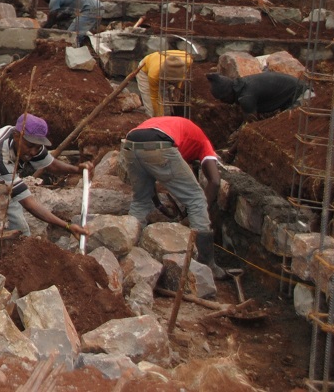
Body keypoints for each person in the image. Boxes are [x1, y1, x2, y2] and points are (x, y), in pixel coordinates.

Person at [0, 113, 90, 238]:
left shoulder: (30, 144)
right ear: (17, 136)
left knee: (20, 231)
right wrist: (67, 226)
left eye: (38, 147)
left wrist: (76, 170)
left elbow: (51, 165)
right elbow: (28, 203)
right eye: (30, 146)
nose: (34, 152)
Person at [121, 115, 224, 277]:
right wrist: (196, 212)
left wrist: (160, 205)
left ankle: (127, 249)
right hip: (160, 144)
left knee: (141, 200)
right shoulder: (204, 143)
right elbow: (215, 181)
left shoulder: (175, 127)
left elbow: (149, 184)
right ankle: (205, 263)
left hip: (129, 144)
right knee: (196, 198)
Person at [208, 71, 311, 117]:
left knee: (288, 124)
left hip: (304, 95)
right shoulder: (242, 85)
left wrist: (230, 152)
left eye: (223, 99)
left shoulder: (246, 97)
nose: (223, 102)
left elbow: (250, 127)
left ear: (228, 94)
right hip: (292, 95)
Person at [135, 50, 192, 117]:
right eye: (168, 82)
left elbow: (183, 74)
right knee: (151, 109)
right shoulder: (153, 74)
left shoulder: (188, 61)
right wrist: (159, 116)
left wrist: (178, 87)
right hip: (145, 70)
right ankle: (151, 122)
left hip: (164, 67)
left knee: (171, 100)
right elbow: (154, 97)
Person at [38, 0, 102, 42]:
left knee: (71, 35)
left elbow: (51, 20)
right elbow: (64, 14)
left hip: (90, 8)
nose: (45, 1)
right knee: (77, 32)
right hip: (97, 6)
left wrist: (41, 32)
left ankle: (75, 50)